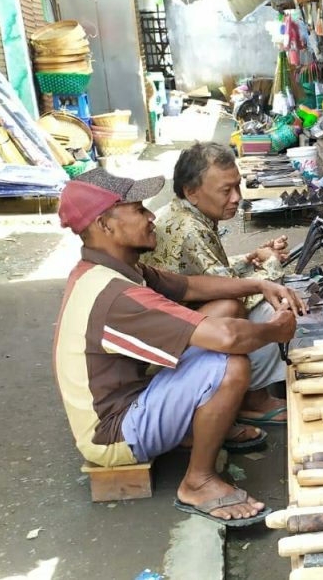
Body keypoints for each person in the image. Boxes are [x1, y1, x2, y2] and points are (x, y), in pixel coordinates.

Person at [54, 168, 306, 525]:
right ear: (105, 225)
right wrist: (276, 329)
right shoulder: (115, 295)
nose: (151, 216)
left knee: (227, 309)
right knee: (229, 365)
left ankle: (204, 426)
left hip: (134, 395)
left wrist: (256, 285)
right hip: (114, 433)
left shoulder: (119, 270)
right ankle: (198, 482)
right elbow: (228, 339)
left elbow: (191, 287)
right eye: (138, 209)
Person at [144, 142, 289, 427]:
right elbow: (230, 289)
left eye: (237, 186)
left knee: (255, 294)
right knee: (271, 308)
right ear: (191, 192)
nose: (236, 197)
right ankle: (253, 400)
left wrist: (251, 258)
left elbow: (209, 274)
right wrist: (271, 264)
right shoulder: (189, 228)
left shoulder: (180, 213)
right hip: (174, 341)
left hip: (179, 321)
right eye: (226, 191)